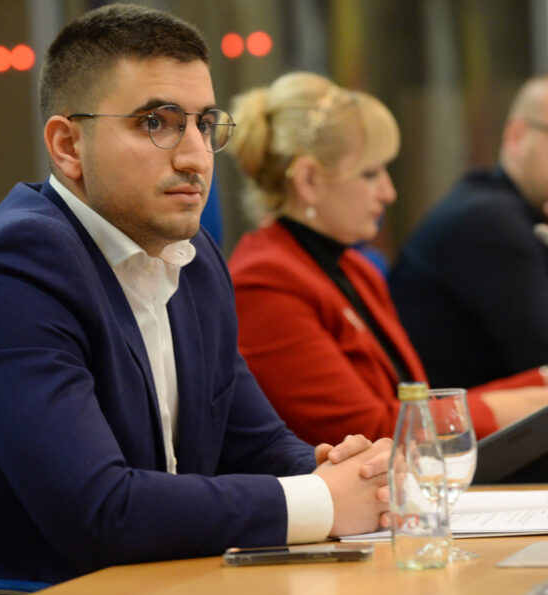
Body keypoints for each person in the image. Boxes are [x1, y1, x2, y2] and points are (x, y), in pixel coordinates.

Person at [0, 5, 392, 585]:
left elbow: (254, 445)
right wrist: (323, 501)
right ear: (67, 146)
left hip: (171, 581)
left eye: (204, 124)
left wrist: (345, 471)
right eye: (156, 123)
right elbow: (99, 512)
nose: (195, 156)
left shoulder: (193, 255)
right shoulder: (15, 269)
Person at [227, 72, 548, 448]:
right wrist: (524, 404)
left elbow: (414, 402)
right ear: (309, 181)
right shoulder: (263, 282)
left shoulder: (355, 268)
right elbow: (372, 430)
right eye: (370, 173)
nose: (388, 192)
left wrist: (539, 383)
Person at [389, 76, 548, 389]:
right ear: (516, 135)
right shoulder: (489, 221)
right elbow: (542, 357)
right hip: (451, 417)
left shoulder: (503, 208)